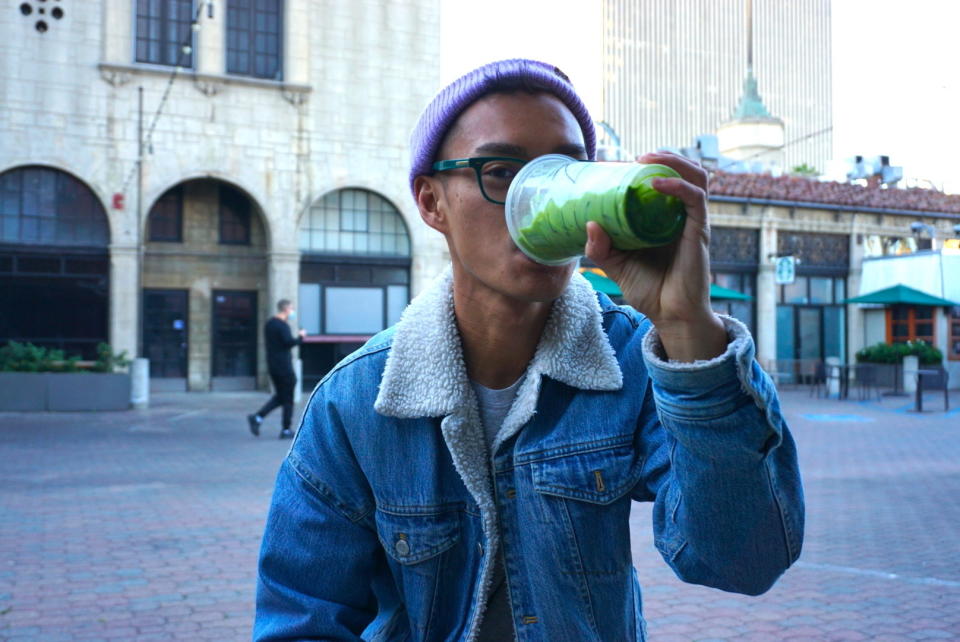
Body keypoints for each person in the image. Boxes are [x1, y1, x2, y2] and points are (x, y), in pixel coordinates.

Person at [254, 59, 804, 640]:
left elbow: (742, 561)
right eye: (501, 171)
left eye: (564, 172)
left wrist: (688, 327)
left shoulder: (633, 360)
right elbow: (303, 619)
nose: (540, 203)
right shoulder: (357, 402)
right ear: (431, 202)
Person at [248, 298, 305, 440]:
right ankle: (286, 429)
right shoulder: (282, 325)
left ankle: (257, 417)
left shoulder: (269, 324)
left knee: (281, 396)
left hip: (273, 365)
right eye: (291, 308)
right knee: (288, 399)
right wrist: (300, 337)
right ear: (285, 309)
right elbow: (288, 342)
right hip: (284, 366)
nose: (293, 312)